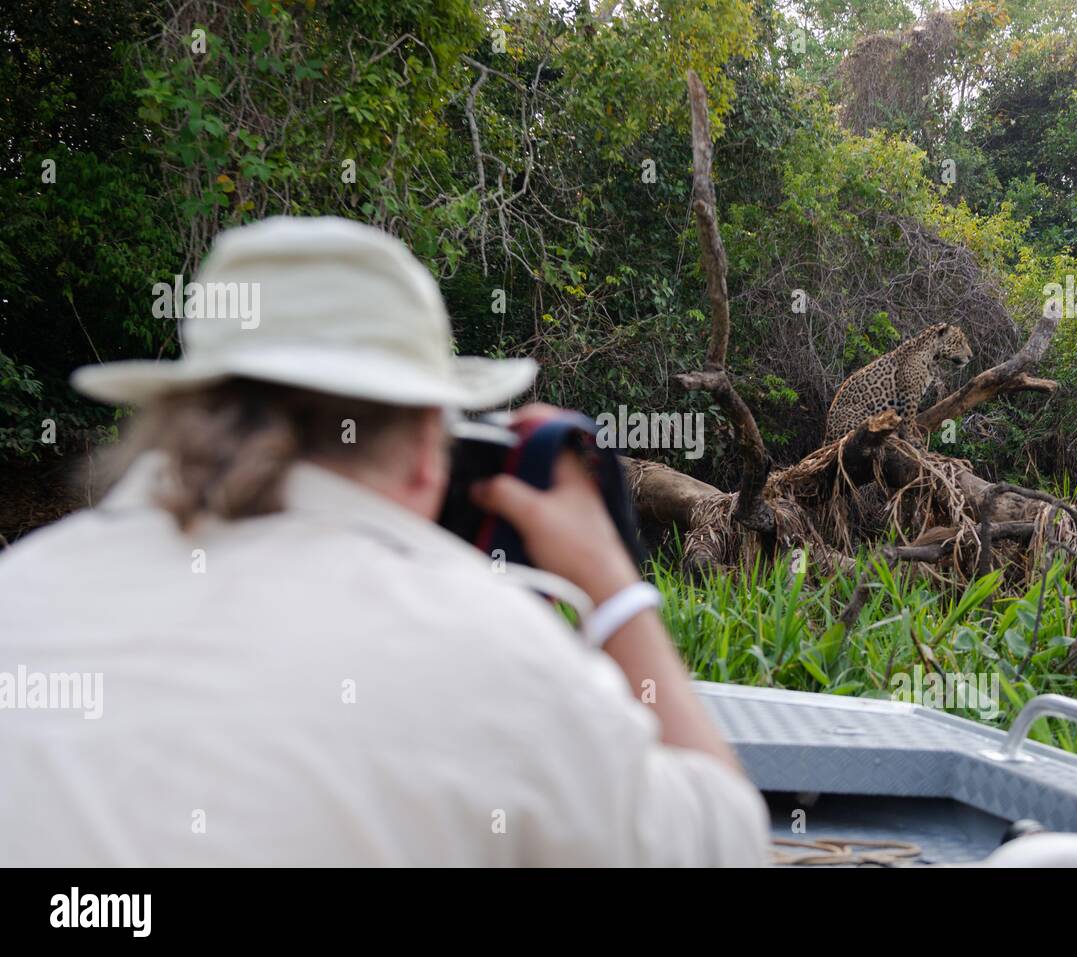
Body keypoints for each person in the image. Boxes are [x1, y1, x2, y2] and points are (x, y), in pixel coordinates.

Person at [0, 216, 769, 866]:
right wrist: (611, 584)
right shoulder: (491, 648)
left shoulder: (22, 590)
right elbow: (724, 842)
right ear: (430, 441)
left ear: (181, 408)